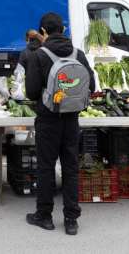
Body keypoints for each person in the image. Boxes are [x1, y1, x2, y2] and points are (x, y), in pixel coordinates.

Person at [25, 12, 95, 236]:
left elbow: (32, 91)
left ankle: (44, 216)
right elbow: (91, 86)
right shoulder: (78, 54)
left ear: (43, 32)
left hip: (48, 118)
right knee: (71, 167)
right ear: (63, 30)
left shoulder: (39, 55)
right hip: (72, 118)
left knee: (46, 167)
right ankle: (71, 219)